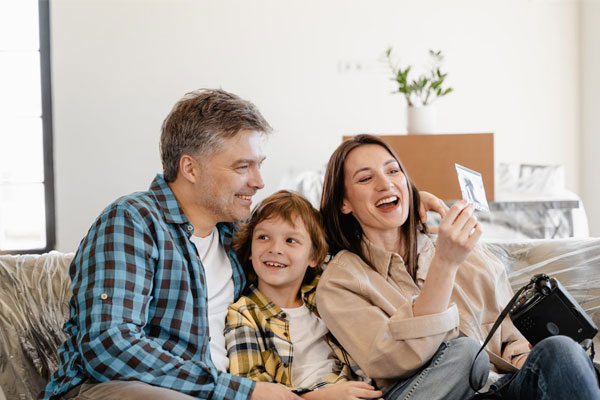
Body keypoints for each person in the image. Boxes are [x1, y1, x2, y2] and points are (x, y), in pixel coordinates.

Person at [41, 89, 302, 400]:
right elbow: (109, 346)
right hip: (107, 389)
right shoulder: (133, 220)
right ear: (190, 168)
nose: (259, 181)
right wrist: (240, 391)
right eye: (242, 167)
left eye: (259, 165)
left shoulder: (241, 232)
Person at [316, 134, 600, 400]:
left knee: (561, 350)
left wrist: (525, 357)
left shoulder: (465, 250)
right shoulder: (340, 281)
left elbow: (508, 335)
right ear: (343, 203)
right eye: (366, 178)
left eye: (393, 171)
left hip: (501, 386)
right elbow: (389, 361)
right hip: (435, 390)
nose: (386, 184)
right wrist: (445, 264)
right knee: (464, 353)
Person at [225, 190, 382, 400]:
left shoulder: (325, 293)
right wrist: (323, 397)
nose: (275, 248)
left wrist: (416, 203)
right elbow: (252, 389)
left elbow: (362, 237)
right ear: (250, 249)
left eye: (291, 240)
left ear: (314, 257)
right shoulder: (244, 313)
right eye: (263, 237)